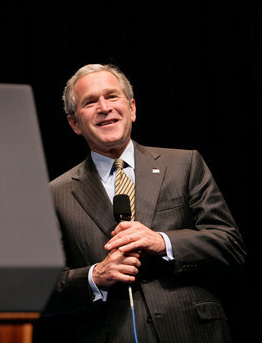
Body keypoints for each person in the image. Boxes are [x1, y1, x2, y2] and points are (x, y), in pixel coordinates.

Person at [41, 64, 246, 343]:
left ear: (132, 108)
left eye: (112, 96)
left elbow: (229, 245)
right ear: (74, 123)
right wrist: (95, 276)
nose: (104, 107)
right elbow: (41, 288)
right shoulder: (55, 193)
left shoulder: (184, 165)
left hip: (193, 332)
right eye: (90, 102)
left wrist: (162, 242)